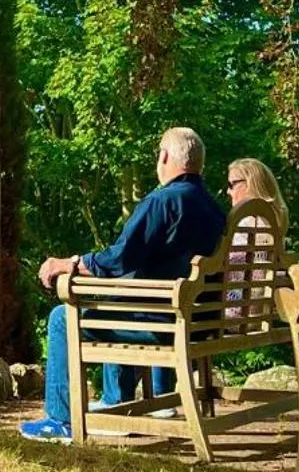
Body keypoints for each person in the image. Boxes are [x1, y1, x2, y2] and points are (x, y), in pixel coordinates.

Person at [19, 125, 225, 442]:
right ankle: (121, 405)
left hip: (165, 323)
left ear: (165, 156)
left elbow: (118, 260)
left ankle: (60, 421)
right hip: (201, 320)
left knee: (62, 318)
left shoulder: (163, 202)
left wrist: (69, 263)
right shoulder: (214, 209)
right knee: (113, 303)